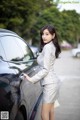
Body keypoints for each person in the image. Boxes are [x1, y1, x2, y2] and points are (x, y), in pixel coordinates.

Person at [23, 25, 61, 120]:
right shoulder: (51, 46)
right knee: (51, 111)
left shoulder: (48, 47)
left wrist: (31, 79)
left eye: (47, 34)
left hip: (50, 84)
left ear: (53, 35)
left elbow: (45, 70)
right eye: (42, 34)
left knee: (44, 115)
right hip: (53, 82)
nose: (44, 36)